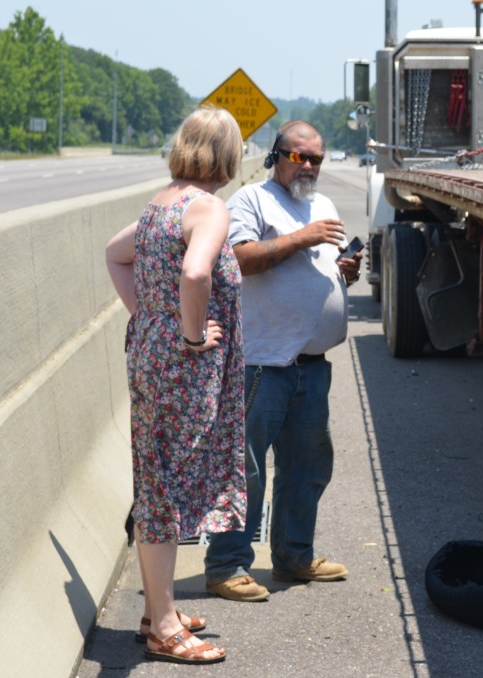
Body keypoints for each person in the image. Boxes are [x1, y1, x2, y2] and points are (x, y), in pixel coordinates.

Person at [105, 105, 246, 664]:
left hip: (149, 357)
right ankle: (163, 627)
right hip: (182, 367)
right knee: (164, 485)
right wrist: (187, 336)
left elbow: (116, 257)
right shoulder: (207, 207)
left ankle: (156, 607)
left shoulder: (162, 203)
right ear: (228, 155)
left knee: (156, 475)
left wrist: (153, 320)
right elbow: (195, 273)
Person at [204, 120, 361, 601]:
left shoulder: (324, 205)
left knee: (307, 465)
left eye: (317, 157)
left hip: (311, 366)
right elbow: (237, 259)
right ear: (277, 156)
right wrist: (305, 237)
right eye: (299, 156)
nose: (309, 165)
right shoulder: (253, 200)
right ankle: (226, 565)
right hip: (262, 363)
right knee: (245, 468)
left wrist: (344, 273)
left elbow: (317, 270)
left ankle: (294, 557)